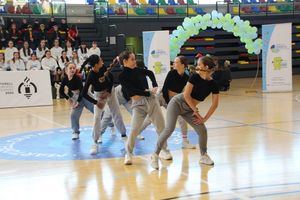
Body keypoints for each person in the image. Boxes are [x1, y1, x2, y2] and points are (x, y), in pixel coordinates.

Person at [150, 56, 220, 170]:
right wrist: (195, 110)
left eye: (199, 64)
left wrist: (204, 119)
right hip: (177, 103)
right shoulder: (194, 77)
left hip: (189, 110)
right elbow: (186, 95)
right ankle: (155, 155)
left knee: (202, 130)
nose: (197, 66)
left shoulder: (213, 84)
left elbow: (215, 104)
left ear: (206, 67)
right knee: (169, 129)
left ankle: (203, 156)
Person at [118, 50, 172, 165]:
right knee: (134, 130)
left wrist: (155, 84)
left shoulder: (138, 70)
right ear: (125, 61)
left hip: (151, 102)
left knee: (161, 127)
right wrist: (147, 92)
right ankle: (128, 153)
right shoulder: (122, 76)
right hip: (138, 105)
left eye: (134, 59)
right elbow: (131, 91)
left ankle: (165, 150)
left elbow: (151, 73)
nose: (134, 61)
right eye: (132, 59)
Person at [138, 56, 196, 149]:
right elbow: (165, 90)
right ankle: (136, 133)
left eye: (176, 62)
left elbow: (182, 93)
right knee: (150, 118)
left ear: (182, 65)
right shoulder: (171, 73)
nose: (173, 64)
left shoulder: (186, 77)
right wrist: (170, 104)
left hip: (173, 100)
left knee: (182, 119)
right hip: (161, 97)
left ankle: (185, 142)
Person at [81, 55, 127, 155]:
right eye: (100, 60)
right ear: (96, 64)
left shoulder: (103, 68)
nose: (102, 61)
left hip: (110, 92)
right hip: (98, 96)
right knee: (96, 117)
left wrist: (108, 92)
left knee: (117, 113)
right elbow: (83, 93)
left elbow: (111, 79)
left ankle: (124, 136)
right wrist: (96, 102)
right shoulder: (91, 75)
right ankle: (95, 142)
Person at [60, 62, 94, 140]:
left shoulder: (77, 78)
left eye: (74, 68)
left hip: (85, 96)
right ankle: (75, 132)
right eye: (70, 68)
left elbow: (82, 91)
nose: (72, 70)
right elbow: (61, 91)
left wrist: (78, 102)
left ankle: (110, 124)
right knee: (73, 115)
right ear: (66, 70)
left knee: (96, 111)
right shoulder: (65, 79)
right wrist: (69, 99)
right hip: (75, 97)